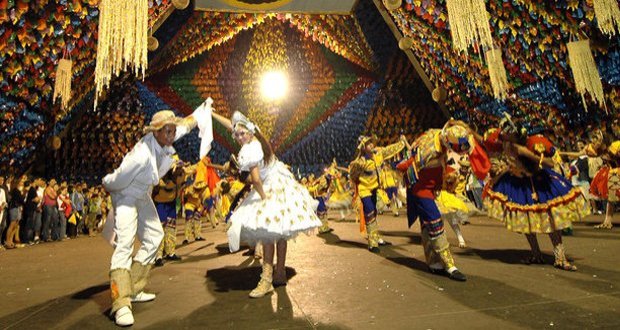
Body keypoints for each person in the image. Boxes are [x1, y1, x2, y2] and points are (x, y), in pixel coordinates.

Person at [102, 105, 208, 327]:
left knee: (154, 237)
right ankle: (120, 303)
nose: (172, 134)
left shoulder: (166, 138)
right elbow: (117, 180)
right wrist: (108, 186)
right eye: (167, 131)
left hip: (143, 195)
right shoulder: (140, 156)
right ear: (155, 132)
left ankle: (133, 287)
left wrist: (202, 111)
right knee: (125, 245)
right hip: (127, 196)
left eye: (172, 130)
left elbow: (186, 125)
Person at [212, 110, 321, 298]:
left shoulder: (251, 149)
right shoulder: (255, 137)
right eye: (236, 135)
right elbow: (233, 125)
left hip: (270, 186)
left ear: (250, 132)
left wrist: (263, 198)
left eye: (241, 134)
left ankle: (267, 279)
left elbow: (255, 180)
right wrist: (213, 114)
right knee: (280, 230)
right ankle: (279, 273)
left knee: (269, 230)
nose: (238, 137)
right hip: (280, 181)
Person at [483, 115, 589, 271]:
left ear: (515, 134)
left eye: (506, 134)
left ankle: (560, 257)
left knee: (551, 219)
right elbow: (483, 142)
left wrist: (526, 153)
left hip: (541, 183)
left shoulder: (533, 142)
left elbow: (550, 163)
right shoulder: (505, 143)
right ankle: (536, 254)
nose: (502, 137)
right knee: (525, 220)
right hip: (521, 184)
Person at [397, 123, 486, 281]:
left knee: (427, 224)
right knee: (435, 222)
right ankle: (449, 264)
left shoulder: (437, 134)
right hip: (421, 188)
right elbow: (412, 165)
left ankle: (432, 262)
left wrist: (447, 174)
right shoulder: (431, 151)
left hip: (431, 188)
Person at [349, 135, 405, 252]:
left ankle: (377, 237)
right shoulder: (360, 162)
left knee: (373, 213)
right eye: (368, 144)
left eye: (371, 143)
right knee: (369, 212)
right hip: (365, 190)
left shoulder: (378, 155)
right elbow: (353, 176)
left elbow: (389, 150)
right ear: (363, 148)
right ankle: (373, 242)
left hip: (374, 189)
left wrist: (401, 143)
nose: (371, 145)